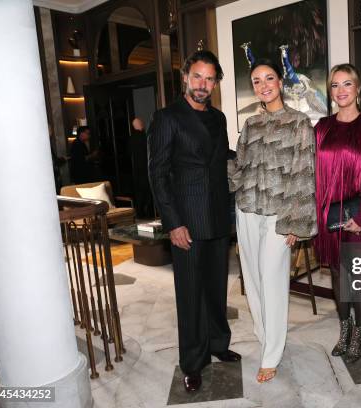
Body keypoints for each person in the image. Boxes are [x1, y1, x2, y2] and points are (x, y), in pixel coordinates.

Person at [147, 50, 240, 393]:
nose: (203, 84)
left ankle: (218, 343)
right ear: (185, 77)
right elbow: (158, 174)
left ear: (216, 82)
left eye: (209, 78)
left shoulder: (218, 118)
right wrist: (173, 223)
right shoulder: (166, 117)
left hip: (217, 216)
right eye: (197, 77)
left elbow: (222, 158)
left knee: (216, 289)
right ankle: (193, 361)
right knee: (190, 294)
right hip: (186, 221)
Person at [229, 59, 317, 383]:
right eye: (256, 81)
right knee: (252, 280)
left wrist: (296, 223)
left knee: (273, 281)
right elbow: (239, 167)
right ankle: (264, 335)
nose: (263, 85)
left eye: (269, 78)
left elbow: (305, 174)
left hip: (280, 217)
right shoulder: (250, 125)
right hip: (247, 210)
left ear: (279, 82)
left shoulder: (299, 123)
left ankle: (272, 354)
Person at [314, 63, 361, 363]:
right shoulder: (321, 128)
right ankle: (343, 330)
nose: (341, 91)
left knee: (360, 276)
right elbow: (313, 172)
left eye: (347, 84)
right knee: (338, 274)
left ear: (358, 89)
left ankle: (360, 331)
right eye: (335, 85)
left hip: (359, 214)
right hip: (329, 215)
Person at [129, 117, 153, 218]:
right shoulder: (145, 137)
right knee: (148, 192)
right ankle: (149, 213)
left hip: (136, 170)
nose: (143, 124)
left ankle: (140, 213)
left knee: (139, 193)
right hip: (146, 168)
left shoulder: (131, 139)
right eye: (142, 123)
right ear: (140, 125)